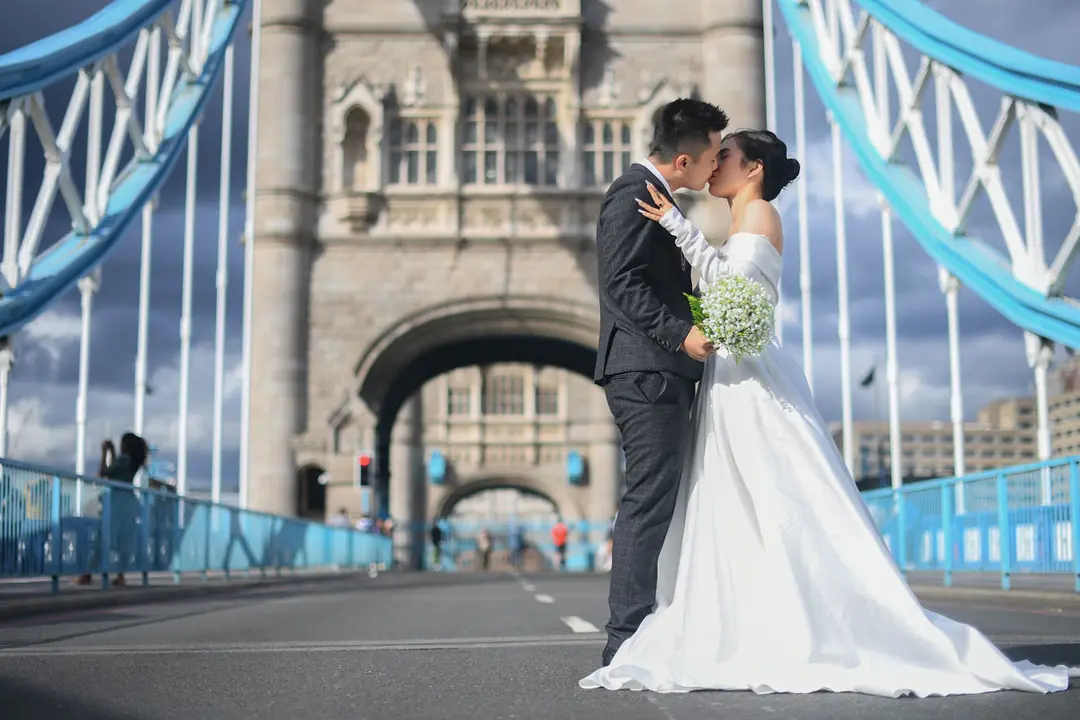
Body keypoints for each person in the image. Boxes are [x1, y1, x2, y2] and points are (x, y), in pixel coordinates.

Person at [580, 129, 1078, 696]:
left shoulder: (761, 215)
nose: (715, 166)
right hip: (728, 377)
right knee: (729, 502)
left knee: (779, 498)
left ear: (753, 171)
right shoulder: (743, 219)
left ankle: (804, 623)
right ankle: (749, 619)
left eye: (727, 158)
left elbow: (735, 296)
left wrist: (677, 226)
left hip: (751, 378)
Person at [593, 97, 728, 668]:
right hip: (646, 369)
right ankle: (624, 642)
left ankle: (643, 631)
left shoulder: (658, 196)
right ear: (682, 159)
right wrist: (680, 335)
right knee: (646, 503)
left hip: (658, 368)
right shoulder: (632, 195)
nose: (716, 166)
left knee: (656, 502)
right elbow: (619, 284)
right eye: (713, 156)